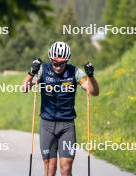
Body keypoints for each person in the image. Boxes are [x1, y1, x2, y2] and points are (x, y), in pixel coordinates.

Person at [22, 41, 99, 176]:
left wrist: (91, 76)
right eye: (55, 63)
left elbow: (94, 92)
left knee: (66, 168)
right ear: (51, 60)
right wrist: (31, 72)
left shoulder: (74, 72)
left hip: (67, 126)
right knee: (50, 169)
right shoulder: (43, 70)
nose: (57, 67)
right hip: (47, 125)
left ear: (66, 61)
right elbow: (24, 89)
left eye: (61, 64)